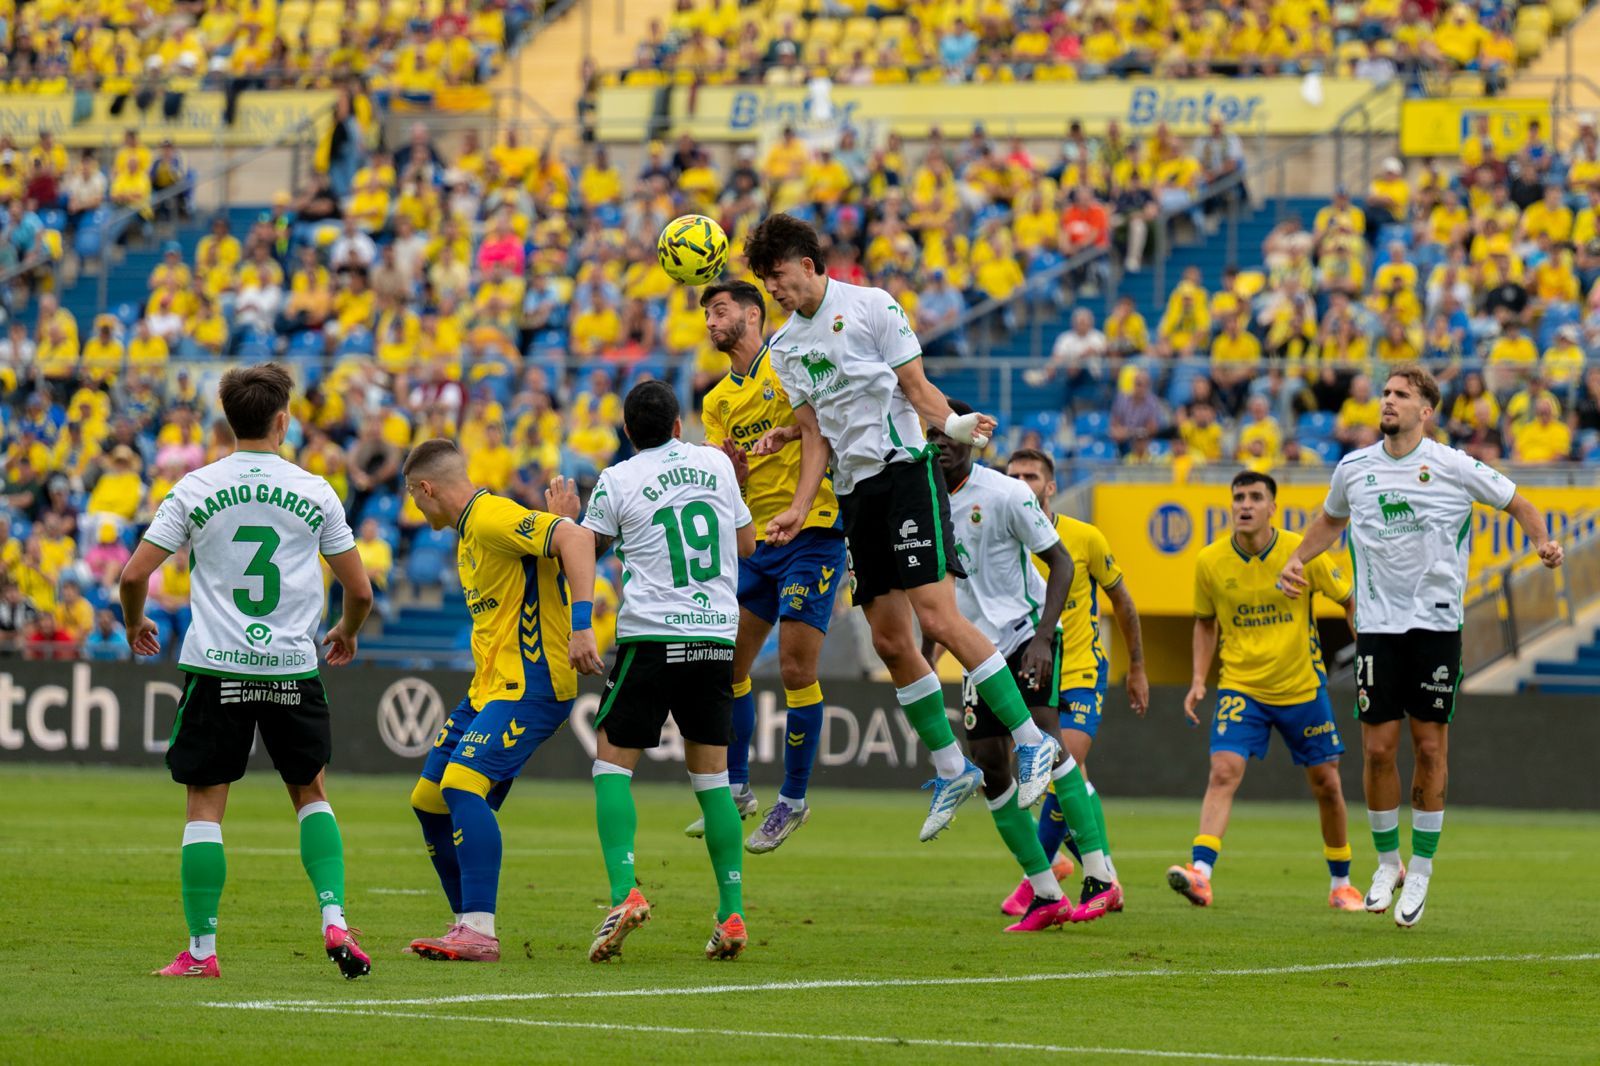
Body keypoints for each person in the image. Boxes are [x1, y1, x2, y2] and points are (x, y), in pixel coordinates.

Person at [743, 213, 1062, 848]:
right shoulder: (783, 349)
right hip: (854, 495)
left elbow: (917, 389)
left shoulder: (872, 307)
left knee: (938, 619)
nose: (772, 291)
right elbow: (815, 438)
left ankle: (1032, 743)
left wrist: (957, 425)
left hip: (905, 476)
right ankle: (951, 769)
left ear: (808, 264)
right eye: (765, 281)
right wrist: (801, 508)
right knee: (890, 641)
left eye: (776, 277)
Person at [1279, 364, 1564, 928]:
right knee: (1379, 750)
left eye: (1400, 395)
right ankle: (1389, 864)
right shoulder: (1354, 467)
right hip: (1378, 626)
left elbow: (1519, 504)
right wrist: (1298, 558)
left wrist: (1543, 541)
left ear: (1425, 411)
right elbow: (1329, 520)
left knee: (1429, 748)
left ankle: (1424, 871)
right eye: (1385, 393)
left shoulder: (1453, 465)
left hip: (1436, 626)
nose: (1387, 401)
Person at [117, 363, 375, 979]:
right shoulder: (315, 490)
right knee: (310, 794)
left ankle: (202, 953)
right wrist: (346, 631)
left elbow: (132, 576)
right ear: (282, 421)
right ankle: (334, 916)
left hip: (216, 667)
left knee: (204, 808)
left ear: (229, 421)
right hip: (291, 667)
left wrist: (134, 623)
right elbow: (359, 591)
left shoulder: (195, 487)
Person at [399, 439, 603, 964]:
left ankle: (479, 930)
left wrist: (582, 628)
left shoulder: (488, 516)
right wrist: (549, 529)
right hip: (489, 687)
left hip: (532, 682)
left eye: (414, 499)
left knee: (463, 784)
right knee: (428, 800)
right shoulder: (471, 532)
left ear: (427, 488)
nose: (415, 511)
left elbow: (576, 541)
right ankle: (466, 922)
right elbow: (546, 553)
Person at [574, 381, 756, 963]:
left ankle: (623, 891)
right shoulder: (716, 464)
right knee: (712, 781)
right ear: (679, 424)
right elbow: (747, 544)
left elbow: (588, 549)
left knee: (610, 763)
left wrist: (566, 523)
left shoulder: (617, 480)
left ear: (628, 433)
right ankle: (731, 913)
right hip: (713, 637)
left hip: (652, 636)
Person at [923, 409, 1121, 929]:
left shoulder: (1006, 493)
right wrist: (926, 657)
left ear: (973, 440)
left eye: (950, 434)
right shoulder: (923, 501)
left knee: (1046, 741)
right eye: (932, 435)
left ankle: (1100, 876)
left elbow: (1060, 562)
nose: (941, 443)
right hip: (974, 648)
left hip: (1022, 633)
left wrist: (1042, 638)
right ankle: (1046, 892)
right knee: (990, 768)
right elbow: (936, 590)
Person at [687, 279, 847, 853]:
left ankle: (794, 801)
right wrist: (732, 468)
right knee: (729, 663)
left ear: (752, 315)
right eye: (706, 313)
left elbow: (822, 432)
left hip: (813, 531)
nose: (710, 321)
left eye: (720, 310)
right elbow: (730, 483)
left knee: (798, 670)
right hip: (758, 543)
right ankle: (736, 788)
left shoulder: (789, 363)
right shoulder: (715, 402)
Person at [1167, 470, 1362, 911]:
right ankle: (1201, 873)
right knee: (1222, 771)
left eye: (1256, 497)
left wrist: (1367, 654)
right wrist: (1200, 679)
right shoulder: (1210, 562)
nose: (1246, 504)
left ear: (1273, 506)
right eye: (1239, 497)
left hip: (1302, 687)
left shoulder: (1303, 551)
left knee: (1327, 784)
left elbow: (1349, 600)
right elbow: (1204, 622)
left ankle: (1341, 884)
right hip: (1241, 686)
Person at [1001, 447, 1147, 917]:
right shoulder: (1003, 539)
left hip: (1081, 669)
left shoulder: (1083, 538)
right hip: (1028, 675)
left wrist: (1138, 668)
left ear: (1050, 486)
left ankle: (1035, 880)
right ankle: (1104, 876)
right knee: (1070, 779)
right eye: (1014, 475)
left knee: (1055, 767)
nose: (1022, 482)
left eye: (1032, 475)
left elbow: (1122, 601)